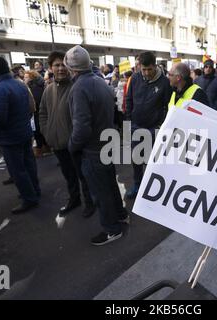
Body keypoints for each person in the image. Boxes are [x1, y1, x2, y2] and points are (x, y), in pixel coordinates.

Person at [64, 45, 128, 246]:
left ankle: (112, 229)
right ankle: (120, 215)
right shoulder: (99, 81)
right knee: (109, 185)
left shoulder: (79, 88)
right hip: (106, 143)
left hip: (93, 149)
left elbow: (82, 127)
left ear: (71, 68)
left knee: (100, 192)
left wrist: (72, 145)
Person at [0, 56, 41, 214]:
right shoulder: (19, 84)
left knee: (18, 170)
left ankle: (29, 198)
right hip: (23, 131)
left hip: (9, 137)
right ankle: (34, 191)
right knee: (29, 165)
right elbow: (31, 107)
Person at [39, 51, 95, 217]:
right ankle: (74, 199)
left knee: (83, 176)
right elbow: (42, 113)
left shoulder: (76, 87)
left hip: (75, 144)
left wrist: (75, 140)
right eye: (56, 65)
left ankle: (90, 202)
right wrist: (47, 133)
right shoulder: (48, 90)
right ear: (50, 68)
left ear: (70, 67)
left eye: (63, 64)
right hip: (57, 143)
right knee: (69, 175)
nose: (60, 68)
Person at [125, 51, 172, 199]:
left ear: (155, 66)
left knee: (153, 161)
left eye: (149, 69)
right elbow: (129, 100)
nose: (146, 73)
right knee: (136, 159)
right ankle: (138, 185)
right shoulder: (135, 78)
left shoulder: (165, 82)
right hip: (136, 126)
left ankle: (155, 187)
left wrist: (160, 125)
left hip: (154, 129)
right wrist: (129, 121)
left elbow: (168, 106)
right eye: (143, 69)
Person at [24, 70, 50, 157]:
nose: (24, 79)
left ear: (32, 78)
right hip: (36, 112)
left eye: (26, 77)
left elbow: (37, 100)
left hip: (37, 112)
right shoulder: (32, 86)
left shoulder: (35, 87)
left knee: (38, 131)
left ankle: (42, 149)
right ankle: (44, 147)